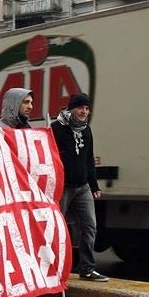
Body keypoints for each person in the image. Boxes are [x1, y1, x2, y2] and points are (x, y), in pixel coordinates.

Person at [0, 88, 61, 297]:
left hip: (27, 201)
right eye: (25, 102)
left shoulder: (28, 131)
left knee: (33, 245)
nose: (30, 107)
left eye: (31, 102)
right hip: (3, 202)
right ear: (13, 103)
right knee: (2, 250)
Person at [50, 93, 108, 283]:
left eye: (87, 108)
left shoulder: (86, 129)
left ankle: (87, 269)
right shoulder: (56, 128)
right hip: (63, 187)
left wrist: (94, 185)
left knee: (89, 227)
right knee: (56, 229)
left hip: (83, 187)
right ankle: (51, 269)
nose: (84, 112)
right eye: (80, 107)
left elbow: (89, 159)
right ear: (71, 109)